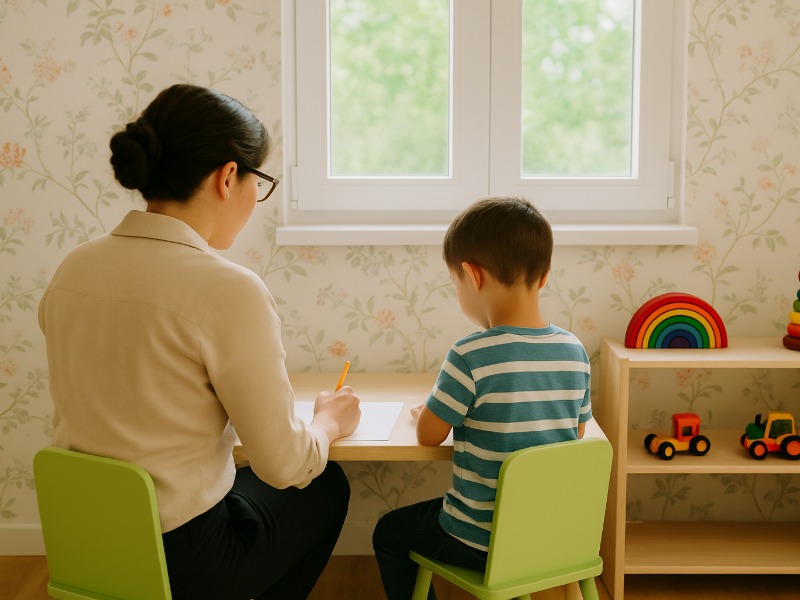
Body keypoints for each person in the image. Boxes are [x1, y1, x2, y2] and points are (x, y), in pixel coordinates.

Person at [38, 83, 361, 600]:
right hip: (182, 559)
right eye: (261, 181)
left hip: (85, 540)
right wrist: (327, 421)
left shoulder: (73, 268)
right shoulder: (227, 290)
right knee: (322, 485)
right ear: (229, 176)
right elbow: (282, 465)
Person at [372, 196, 592, 600]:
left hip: (481, 541)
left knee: (389, 532)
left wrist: (432, 412)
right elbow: (572, 435)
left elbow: (428, 436)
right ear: (543, 277)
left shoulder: (470, 354)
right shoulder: (574, 350)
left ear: (471, 276)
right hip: (551, 535)